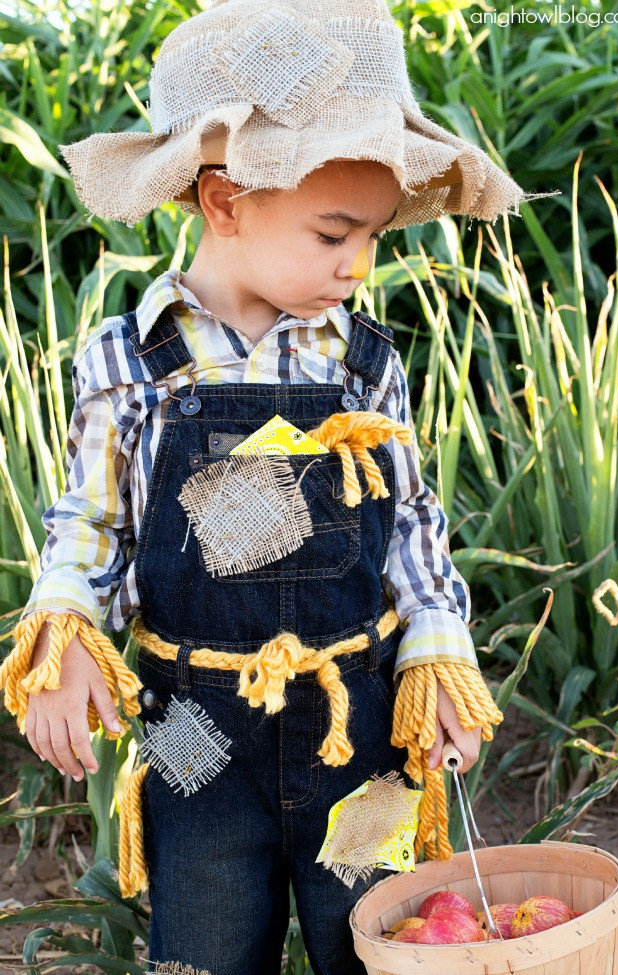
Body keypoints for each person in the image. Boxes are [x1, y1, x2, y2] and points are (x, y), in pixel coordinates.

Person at [0, 1, 527, 972]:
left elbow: (411, 522)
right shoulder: (130, 365)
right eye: (333, 234)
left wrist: (435, 655)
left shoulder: (361, 365)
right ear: (224, 201)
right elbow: (91, 521)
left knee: (373, 938)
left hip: (355, 720)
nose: (357, 266)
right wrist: (65, 627)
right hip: (189, 728)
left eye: (370, 236)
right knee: (202, 941)